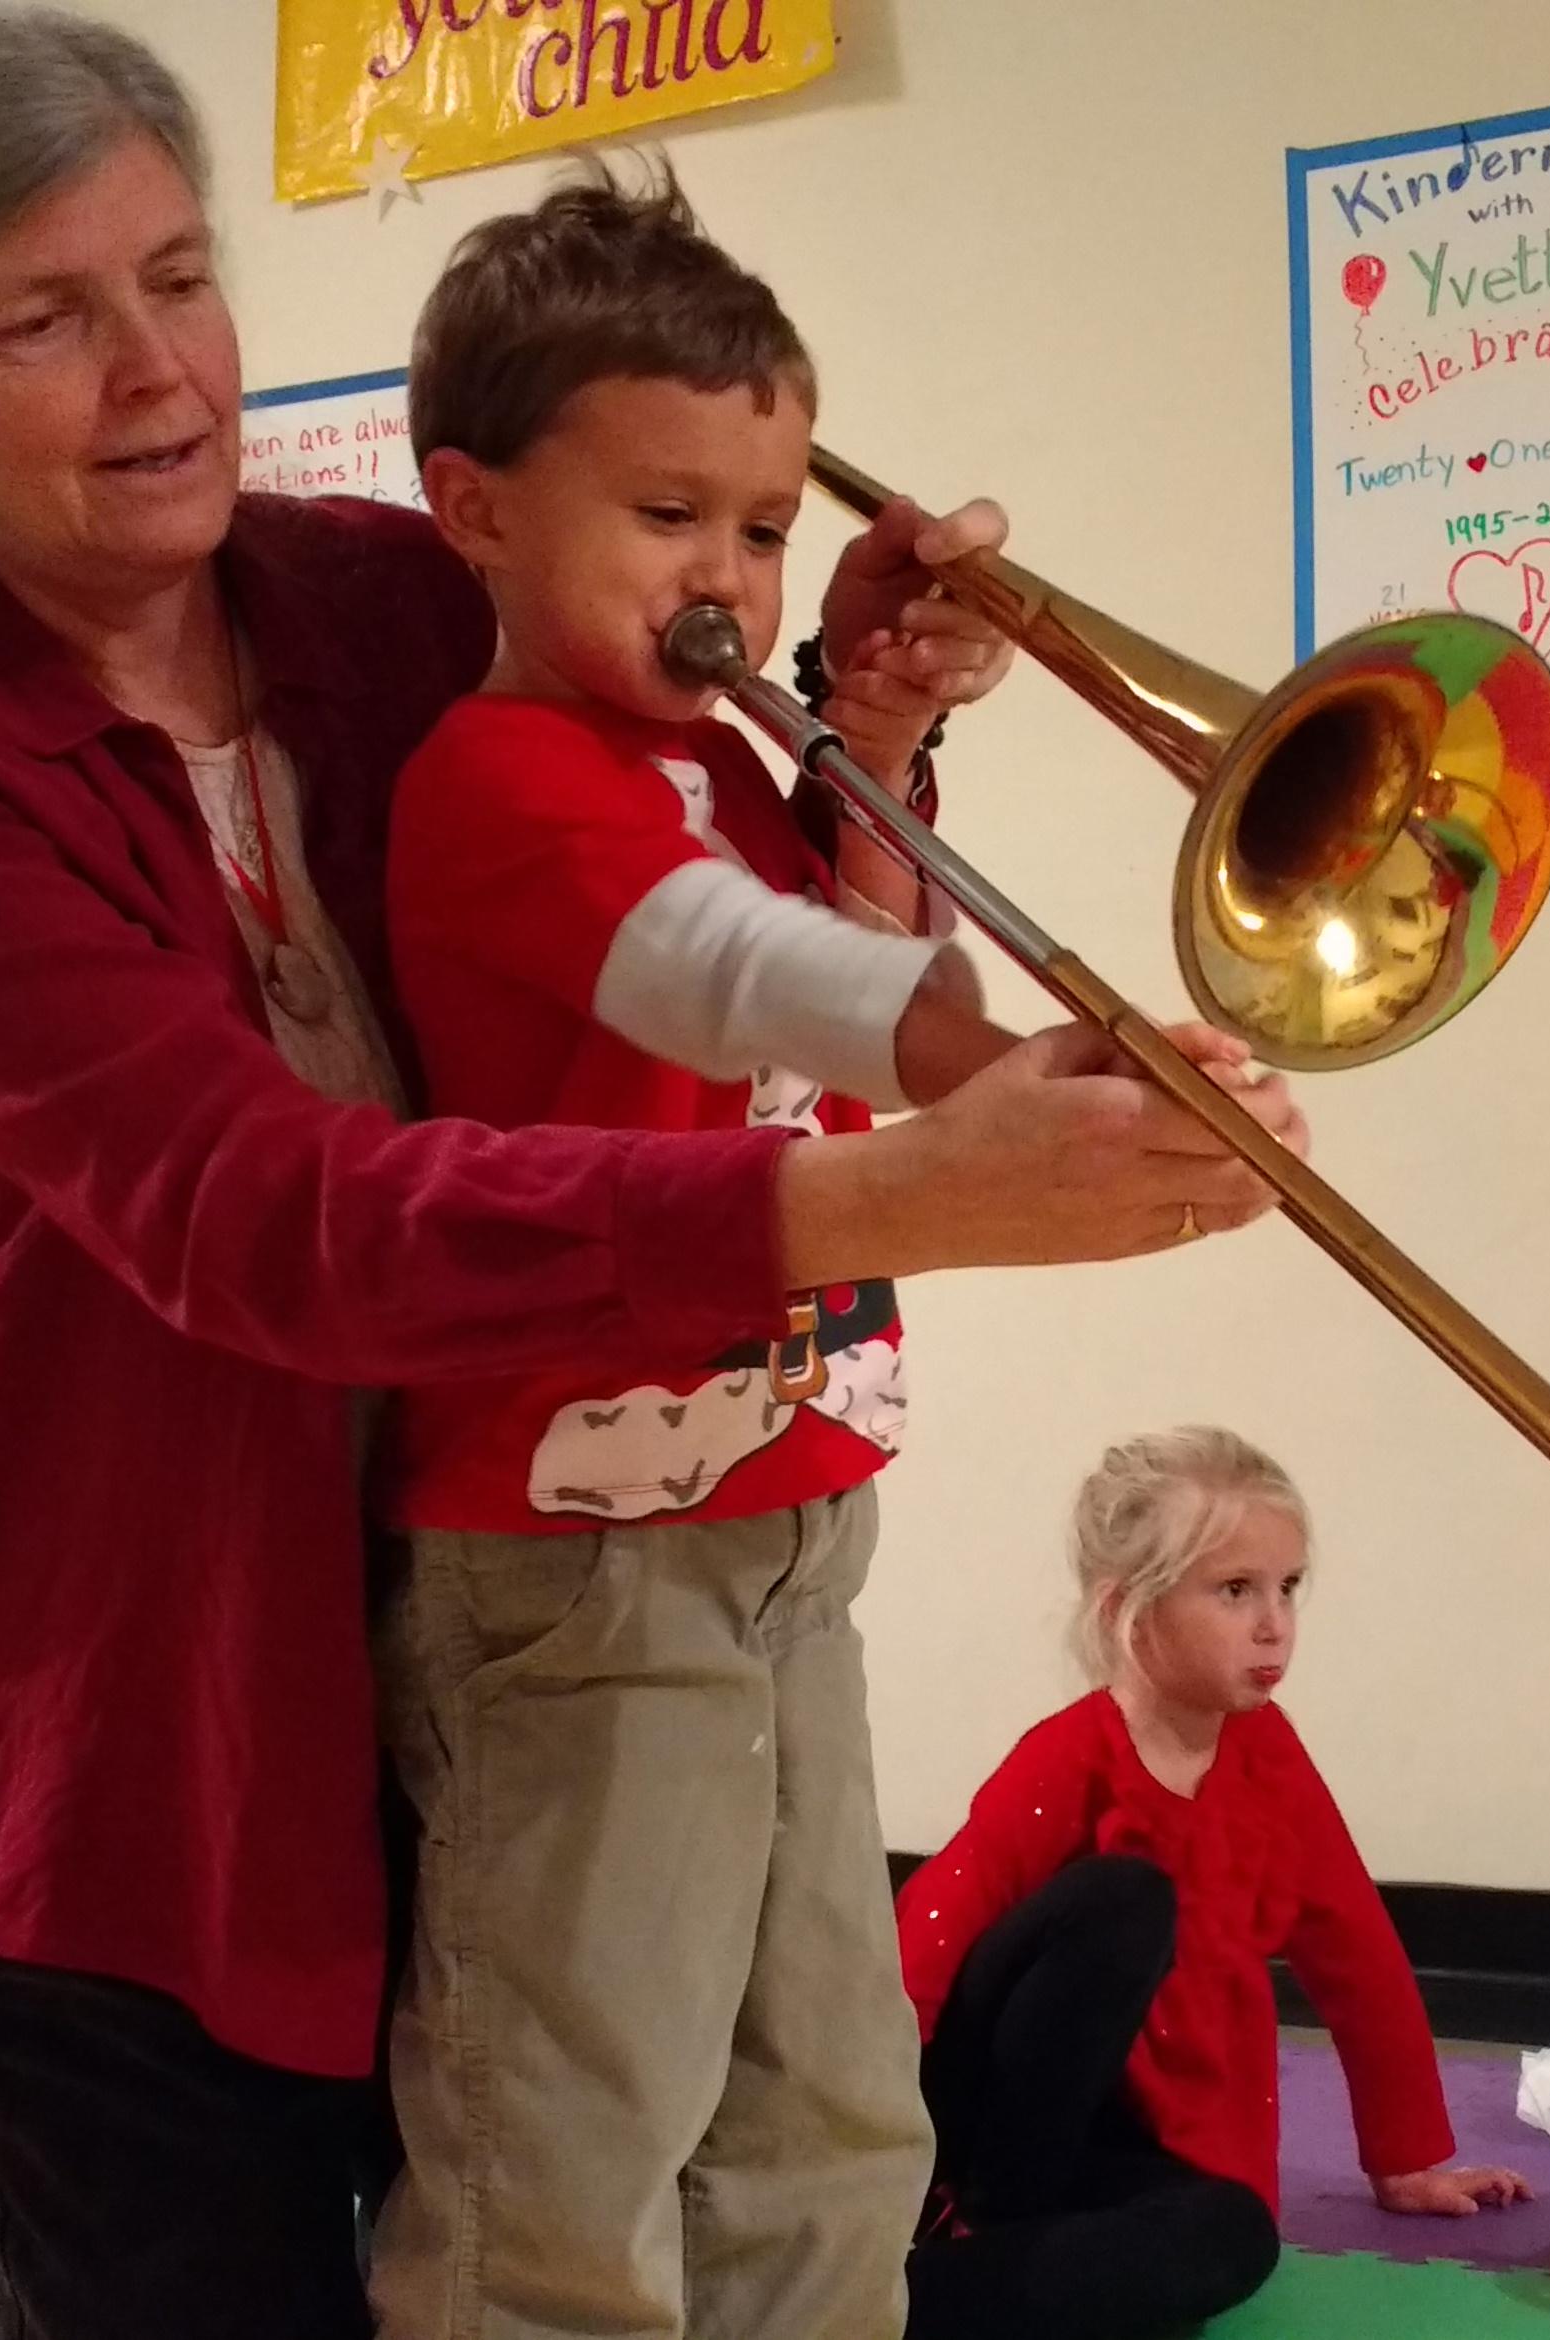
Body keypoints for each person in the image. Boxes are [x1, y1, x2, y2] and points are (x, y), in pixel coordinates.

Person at [0, 7, 1303, 2335]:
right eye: (43, 319)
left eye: (181, 274)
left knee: (669, 2168)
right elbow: (268, 1217)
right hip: (141, 1759)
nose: (164, 372)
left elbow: (693, 888)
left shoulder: (381, 596)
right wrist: (881, 1201)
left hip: (473, 1640)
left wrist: (845, 689)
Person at [359, 171, 1066, 2340]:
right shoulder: (503, 771)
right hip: (575, 1570)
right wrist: (1017, 1054)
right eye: (669, 515)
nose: (727, 580)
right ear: (473, 511)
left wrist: (874, 718)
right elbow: (731, 977)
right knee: (564, 2147)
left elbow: (842, 937)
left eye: (760, 529)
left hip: (787, 1520)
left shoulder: (732, 768)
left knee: (836, 2122)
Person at [893, 1430, 1534, 2340]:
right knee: (1125, 1901)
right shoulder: (1067, 1759)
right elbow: (926, 1941)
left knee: (1237, 2240)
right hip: (982, 2128)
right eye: (1235, 1591)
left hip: (1117, 2151)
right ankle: (939, 2231)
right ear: (1131, 1610)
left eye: (1288, 1588)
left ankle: (918, 2300)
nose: (1275, 1623)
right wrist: (856, 2162)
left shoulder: (1271, 1761)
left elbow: (1354, 1948)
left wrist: (1405, 2159)